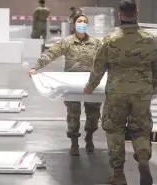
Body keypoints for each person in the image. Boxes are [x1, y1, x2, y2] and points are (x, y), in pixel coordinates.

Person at [83, 0, 157, 185]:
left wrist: (90, 87)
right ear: (137, 14)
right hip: (141, 93)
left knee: (114, 130)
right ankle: (143, 159)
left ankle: (118, 174)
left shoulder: (110, 40)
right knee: (141, 129)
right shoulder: (150, 40)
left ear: (120, 15)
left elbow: (98, 68)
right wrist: (154, 86)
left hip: (117, 93)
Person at [29, 15, 103, 156]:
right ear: (74, 25)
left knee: (93, 114)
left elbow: (106, 59)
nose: (82, 23)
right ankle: (74, 143)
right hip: (71, 85)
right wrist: (36, 67)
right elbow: (51, 54)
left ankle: (89, 137)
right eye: (79, 21)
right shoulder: (67, 42)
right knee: (73, 114)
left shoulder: (96, 43)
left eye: (85, 22)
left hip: (91, 82)